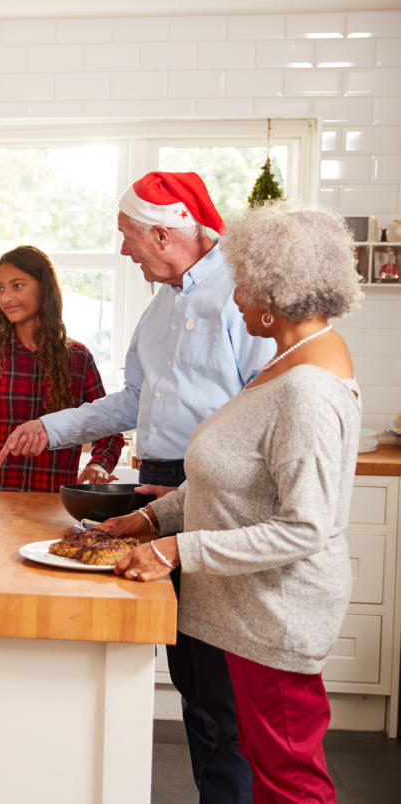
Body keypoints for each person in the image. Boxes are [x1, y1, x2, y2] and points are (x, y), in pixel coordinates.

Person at [0, 172, 276, 803]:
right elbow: (133, 401)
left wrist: (203, 485)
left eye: (128, 237)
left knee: (221, 674)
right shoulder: (160, 309)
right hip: (160, 488)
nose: (124, 251)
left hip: (221, 488)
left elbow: (266, 402)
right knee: (191, 675)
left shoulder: (242, 297)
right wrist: (48, 426)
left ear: (164, 232)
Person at [106, 201, 362, 803]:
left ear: (275, 293)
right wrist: (149, 517)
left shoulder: (306, 388)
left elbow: (304, 527)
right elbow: (232, 478)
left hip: (274, 617)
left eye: (242, 283)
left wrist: (173, 550)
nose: (233, 296)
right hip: (245, 613)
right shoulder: (287, 363)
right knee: (261, 764)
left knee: (289, 782)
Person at [0, 245, 123, 492]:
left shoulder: (78, 358)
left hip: (52, 505)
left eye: (17, 285)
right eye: (0, 288)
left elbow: (109, 430)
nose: (6, 297)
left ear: (44, 287)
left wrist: (99, 465)